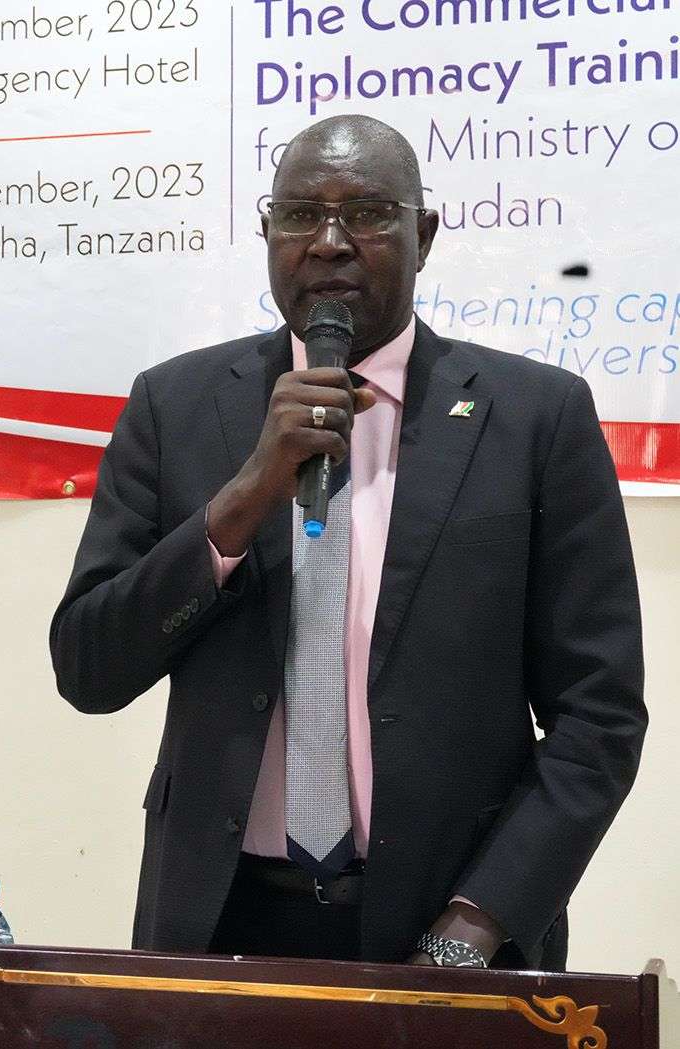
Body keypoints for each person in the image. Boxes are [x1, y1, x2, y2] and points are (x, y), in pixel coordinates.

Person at [49, 114, 646, 971]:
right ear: (268, 235)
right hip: (218, 920)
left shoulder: (535, 418)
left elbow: (600, 711)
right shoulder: (175, 408)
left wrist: (481, 919)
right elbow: (88, 668)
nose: (329, 242)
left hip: (452, 925)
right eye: (299, 215)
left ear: (423, 235)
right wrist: (243, 501)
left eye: (366, 213)